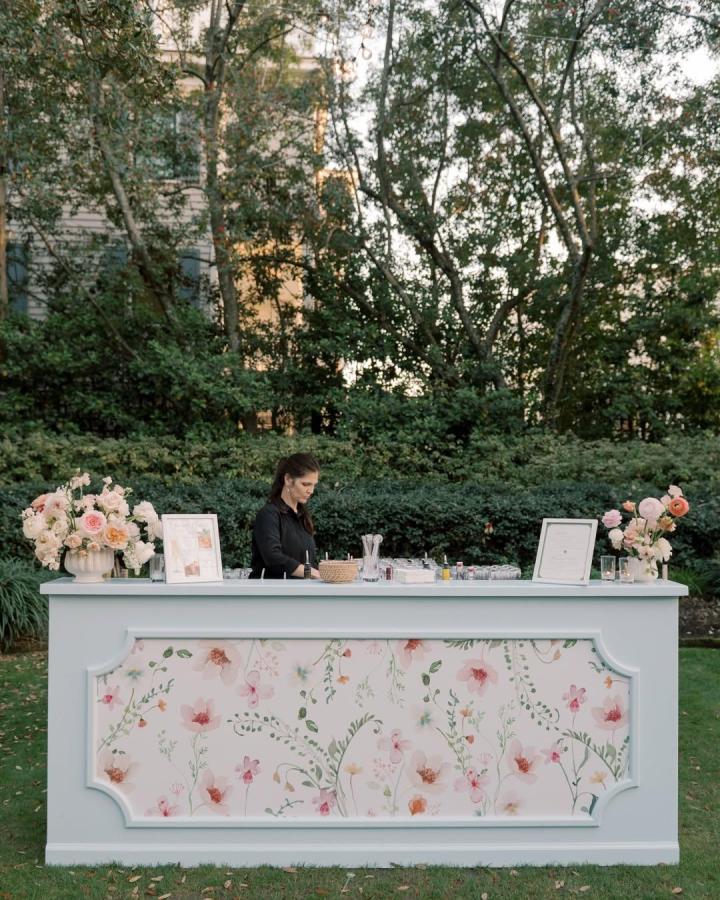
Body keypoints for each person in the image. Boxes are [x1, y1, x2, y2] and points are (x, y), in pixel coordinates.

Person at [249, 454, 320, 579]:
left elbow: (308, 561)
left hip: (300, 594)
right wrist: (313, 573)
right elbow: (273, 558)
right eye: (305, 484)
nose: (311, 490)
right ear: (288, 479)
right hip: (271, 594)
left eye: (314, 485)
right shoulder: (268, 515)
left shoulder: (302, 516)